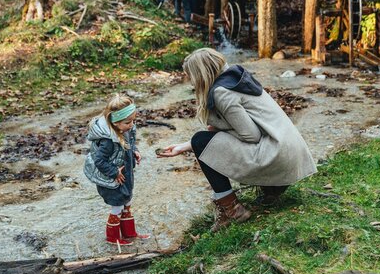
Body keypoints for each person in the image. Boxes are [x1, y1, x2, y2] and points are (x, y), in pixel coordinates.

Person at [158, 48, 317, 232]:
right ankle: (272, 190)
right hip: (289, 153)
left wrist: (216, 129)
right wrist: (185, 146)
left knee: (201, 140)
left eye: (191, 76)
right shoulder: (237, 78)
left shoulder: (222, 93)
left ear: (201, 74)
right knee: (201, 141)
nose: (191, 82)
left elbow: (251, 135)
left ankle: (231, 210)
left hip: (276, 156)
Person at [84, 94, 150, 245]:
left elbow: (129, 144)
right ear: (115, 122)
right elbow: (99, 160)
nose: (132, 125)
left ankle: (129, 233)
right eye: (128, 122)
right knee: (118, 205)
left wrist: (135, 151)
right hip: (111, 179)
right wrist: (114, 172)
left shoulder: (125, 130)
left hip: (125, 175)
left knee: (126, 202)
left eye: (134, 120)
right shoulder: (107, 140)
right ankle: (113, 238)